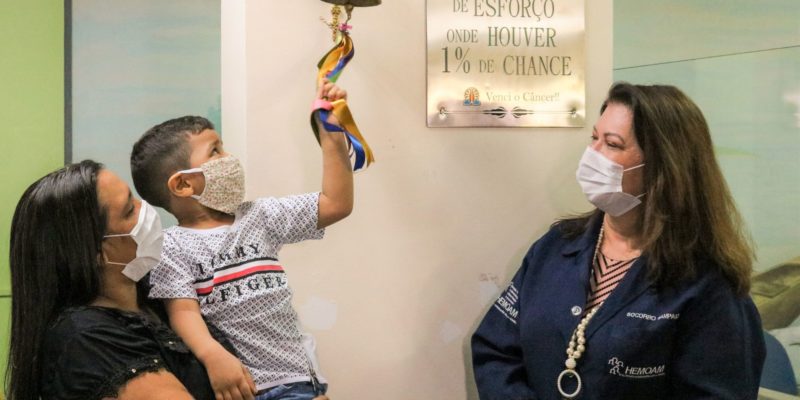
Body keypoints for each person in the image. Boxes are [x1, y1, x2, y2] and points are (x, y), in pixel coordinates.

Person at [471, 83, 766, 399]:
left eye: (612, 144)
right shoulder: (556, 246)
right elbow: (495, 349)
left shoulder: (707, 284)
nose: (592, 155)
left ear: (663, 165)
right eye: (594, 138)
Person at [129, 80, 353, 400]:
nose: (229, 157)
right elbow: (183, 312)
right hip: (245, 388)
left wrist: (331, 134)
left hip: (298, 380)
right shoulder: (171, 247)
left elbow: (336, 203)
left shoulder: (259, 216)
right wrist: (212, 356)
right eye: (215, 151)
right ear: (183, 185)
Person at [6, 160, 247, 400]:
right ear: (98, 253)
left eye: (134, 198)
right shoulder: (87, 340)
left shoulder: (156, 292)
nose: (146, 210)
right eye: (129, 210)